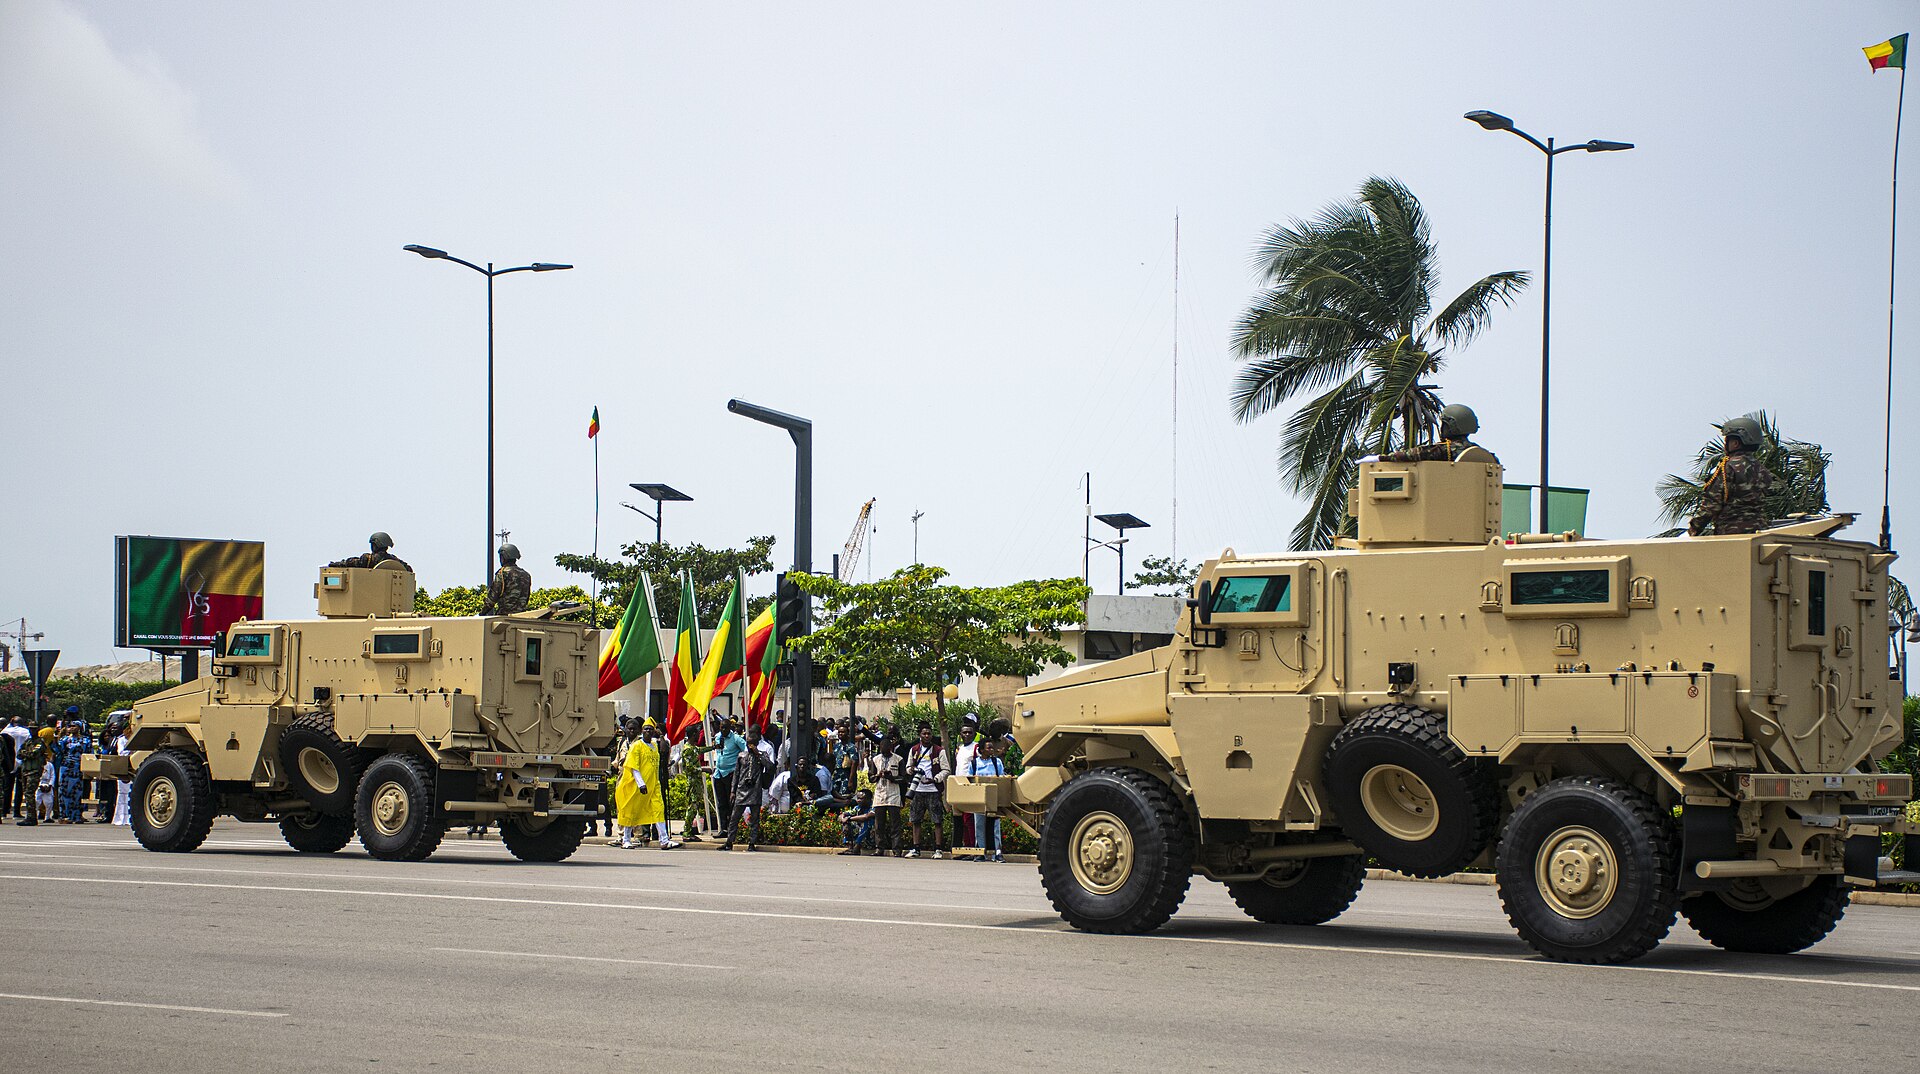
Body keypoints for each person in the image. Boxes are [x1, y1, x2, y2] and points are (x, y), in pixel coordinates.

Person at [1689, 416, 1774, 536]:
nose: (1725, 445)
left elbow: (1712, 504)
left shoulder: (1728, 467)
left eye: (1727, 441)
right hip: (1759, 532)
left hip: (1731, 533)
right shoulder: (1762, 470)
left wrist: (1694, 528)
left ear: (1735, 443)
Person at [615, 719, 677, 849]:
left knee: (658, 810)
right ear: (642, 731)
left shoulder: (654, 746)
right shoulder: (636, 746)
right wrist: (641, 783)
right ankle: (626, 840)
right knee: (631, 811)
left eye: (650, 729)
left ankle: (664, 840)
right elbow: (633, 766)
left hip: (653, 785)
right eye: (645, 729)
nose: (648, 731)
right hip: (637, 786)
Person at [718, 728, 775, 851]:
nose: (749, 746)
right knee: (734, 818)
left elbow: (770, 767)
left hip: (755, 789)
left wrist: (758, 754)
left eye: (752, 743)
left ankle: (752, 843)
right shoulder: (741, 756)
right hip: (741, 789)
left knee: (755, 819)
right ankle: (729, 842)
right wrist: (733, 791)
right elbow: (736, 775)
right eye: (748, 743)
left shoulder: (762, 755)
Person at [1381, 404, 1492, 463]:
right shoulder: (1480, 453)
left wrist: (1382, 458)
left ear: (1449, 425)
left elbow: (1412, 454)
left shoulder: (1443, 450)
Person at [905, 723, 950, 859]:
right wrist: (911, 770)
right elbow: (908, 767)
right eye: (924, 733)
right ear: (920, 735)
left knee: (937, 820)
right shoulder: (914, 750)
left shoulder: (939, 751)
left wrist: (935, 779)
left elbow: (946, 770)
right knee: (915, 820)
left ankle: (938, 849)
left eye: (929, 733)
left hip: (933, 789)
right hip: (917, 789)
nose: (926, 736)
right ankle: (916, 848)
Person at [868, 731, 908, 856]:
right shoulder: (875, 759)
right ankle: (879, 848)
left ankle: (896, 849)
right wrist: (878, 775)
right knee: (879, 824)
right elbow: (871, 778)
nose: (883, 750)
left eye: (886, 748)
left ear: (890, 748)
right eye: (882, 748)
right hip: (880, 793)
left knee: (894, 824)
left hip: (893, 794)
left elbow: (903, 778)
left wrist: (892, 777)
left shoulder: (898, 759)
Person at [967, 738, 1007, 863]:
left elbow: (1001, 778)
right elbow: (970, 779)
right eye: (988, 747)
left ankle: (998, 853)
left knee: (995, 826)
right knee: (979, 825)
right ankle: (980, 852)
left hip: (993, 799)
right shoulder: (974, 763)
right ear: (982, 750)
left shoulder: (996, 762)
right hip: (978, 799)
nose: (991, 750)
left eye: (992, 747)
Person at [51, 718, 90, 823]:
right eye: (70, 726)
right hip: (66, 766)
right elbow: (58, 750)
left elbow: (89, 753)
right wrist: (55, 739)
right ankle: (64, 815)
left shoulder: (85, 740)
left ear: (79, 728)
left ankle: (77, 815)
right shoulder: (64, 739)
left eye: (74, 726)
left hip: (78, 767)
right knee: (63, 791)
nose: (71, 728)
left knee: (77, 791)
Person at [481, 543, 533, 615]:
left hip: (504, 617)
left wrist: (481, 614)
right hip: (522, 616)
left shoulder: (502, 573)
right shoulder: (526, 575)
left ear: (504, 557)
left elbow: (492, 599)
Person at [951, 716, 979, 850]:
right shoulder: (960, 748)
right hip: (958, 785)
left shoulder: (976, 748)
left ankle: (972, 847)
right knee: (961, 819)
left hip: (969, 785)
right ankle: (965, 846)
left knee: (969, 819)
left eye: (970, 732)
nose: (967, 735)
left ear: (974, 734)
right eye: (964, 732)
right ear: (960, 735)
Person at [328, 531, 413, 571]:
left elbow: (350, 563)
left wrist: (334, 564)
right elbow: (408, 569)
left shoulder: (368, 559)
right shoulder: (394, 561)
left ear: (375, 544)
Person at [17, 728, 50, 825]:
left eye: (34, 729)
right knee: (27, 794)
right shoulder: (28, 741)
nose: (32, 731)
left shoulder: (40, 742)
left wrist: (24, 753)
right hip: (26, 770)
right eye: (30, 729)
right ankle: (30, 816)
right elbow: (19, 754)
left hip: (34, 771)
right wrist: (24, 753)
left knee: (29, 793)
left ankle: (31, 817)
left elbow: (33, 754)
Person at [3, 715, 29, 819]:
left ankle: (4, 811)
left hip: (9, 762)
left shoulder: (5, 732)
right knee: (20, 788)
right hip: (21, 761)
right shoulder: (26, 732)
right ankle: (16, 812)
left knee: (7, 787)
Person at [839, 789, 876, 855]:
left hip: (871, 837)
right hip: (861, 833)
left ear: (869, 799)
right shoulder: (857, 808)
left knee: (867, 823)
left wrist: (849, 818)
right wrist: (843, 819)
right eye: (858, 798)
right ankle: (850, 847)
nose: (858, 800)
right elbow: (844, 814)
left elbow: (866, 817)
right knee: (846, 823)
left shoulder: (874, 807)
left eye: (861, 798)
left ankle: (857, 847)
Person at [110, 722, 132, 827]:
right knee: (122, 794)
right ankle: (120, 818)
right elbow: (122, 753)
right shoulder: (121, 740)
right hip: (124, 767)